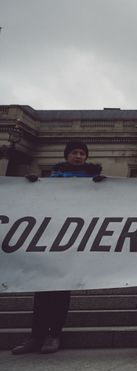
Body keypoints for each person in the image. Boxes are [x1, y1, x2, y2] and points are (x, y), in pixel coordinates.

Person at [12, 141, 104, 355]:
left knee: (61, 289)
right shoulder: (50, 179)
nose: (78, 156)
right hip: (49, 238)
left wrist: (103, 186)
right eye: (74, 153)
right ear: (67, 155)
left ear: (86, 157)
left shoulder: (96, 180)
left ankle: (54, 334)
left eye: (82, 153)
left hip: (74, 240)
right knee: (42, 289)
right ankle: (36, 336)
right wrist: (30, 186)